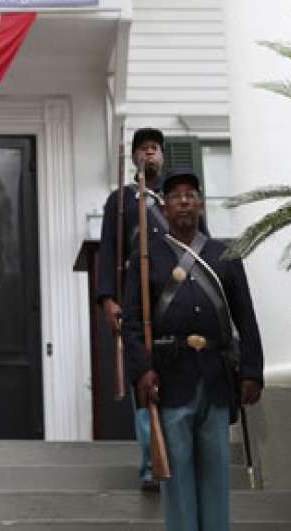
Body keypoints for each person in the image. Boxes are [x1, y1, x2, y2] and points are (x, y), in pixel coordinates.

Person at [122, 169, 264, 531]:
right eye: (175, 196)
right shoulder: (145, 258)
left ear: (200, 206)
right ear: (165, 209)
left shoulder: (225, 254)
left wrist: (251, 371)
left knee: (216, 475)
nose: (183, 201)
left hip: (217, 378)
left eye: (191, 195)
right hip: (170, 379)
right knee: (178, 478)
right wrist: (142, 371)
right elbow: (134, 323)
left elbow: (245, 317)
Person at [94, 127, 171, 491]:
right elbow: (109, 250)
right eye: (143, 149)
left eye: (155, 148)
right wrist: (109, 298)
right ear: (133, 159)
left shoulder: (178, 198)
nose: (149, 153)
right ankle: (151, 460)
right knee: (143, 376)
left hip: (175, 298)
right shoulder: (120, 200)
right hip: (135, 300)